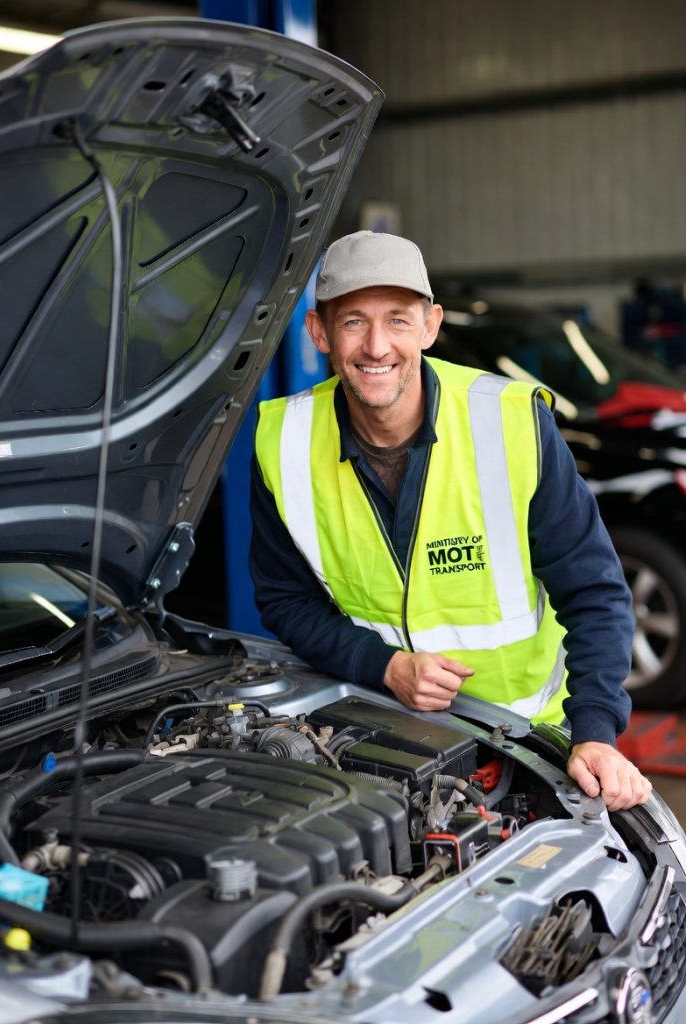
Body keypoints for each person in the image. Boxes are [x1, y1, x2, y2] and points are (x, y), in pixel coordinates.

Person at [250, 230, 652, 811]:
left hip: (530, 742)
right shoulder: (283, 442)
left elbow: (594, 591)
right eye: (353, 322)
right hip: (383, 736)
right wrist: (384, 666)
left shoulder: (511, 423)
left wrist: (595, 732)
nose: (377, 346)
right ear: (319, 334)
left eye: (398, 320)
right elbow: (285, 600)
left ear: (431, 327)